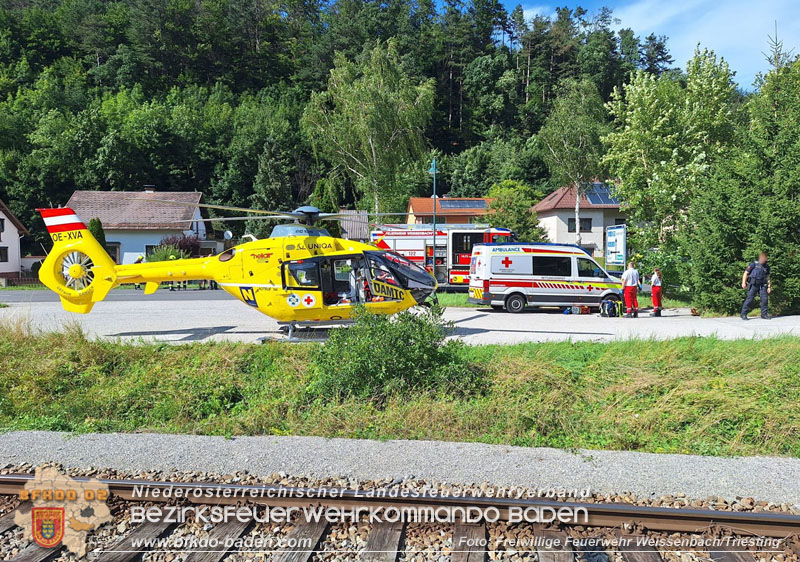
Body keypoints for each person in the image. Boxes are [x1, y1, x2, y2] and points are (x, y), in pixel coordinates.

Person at [741, 252, 771, 320]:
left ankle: (764, 315)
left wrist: (769, 286)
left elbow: (768, 277)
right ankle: (743, 314)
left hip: (763, 285)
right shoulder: (753, 264)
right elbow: (746, 273)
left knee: (764, 299)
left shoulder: (767, 267)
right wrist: (743, 283)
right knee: (749, 299)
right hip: (754, 284)